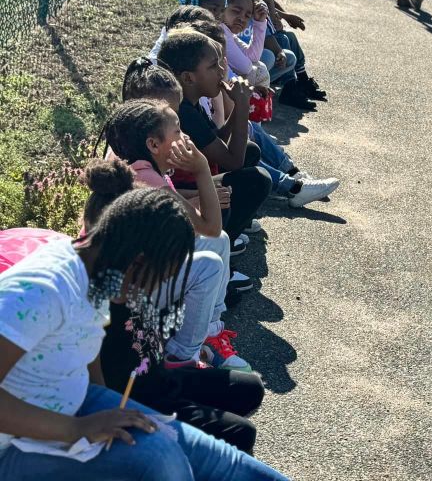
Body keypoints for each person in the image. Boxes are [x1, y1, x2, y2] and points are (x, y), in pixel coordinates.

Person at [0, 183, 288, 479]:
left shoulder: (97, 269)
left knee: (216, 458)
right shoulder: (39, 292)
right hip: (11, 444)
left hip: (71, 406)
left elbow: (86, 352)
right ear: (137, 262)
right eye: (158, 279)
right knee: (160, 459)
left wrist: (104, 403)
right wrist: (76, 429)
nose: (151, 291)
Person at [75, 160, 266, 454]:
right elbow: (98, 394)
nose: (169, 279)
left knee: (250, 388)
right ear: (140, 258)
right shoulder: (96, 304)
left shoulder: (133, 278)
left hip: (158, 376)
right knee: (240, 432)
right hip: (138, 403)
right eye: (168, 270)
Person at [102, 99, 253, 373]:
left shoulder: (140, 167)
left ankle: (209, 332)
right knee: (209, 265)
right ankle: (181, 357)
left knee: (219, 243)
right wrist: (202, 168)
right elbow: (210, 225)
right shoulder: (149, 179)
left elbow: (209, 231)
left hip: (138, 277)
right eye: (178, 132)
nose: (186, 138)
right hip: (125, 298)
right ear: (153, 145)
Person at [157, 30, 272, 242]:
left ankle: (232, 224)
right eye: (213, 66)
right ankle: (226, 239)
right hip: (183, 190)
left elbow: (216, 137)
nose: (222, 72)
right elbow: (234, 162)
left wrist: (238, 105)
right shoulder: (184, 112)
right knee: (258, 179)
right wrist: (244, 105)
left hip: (196, 175)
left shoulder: (191, 101)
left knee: (250, 150)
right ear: (188, 78)